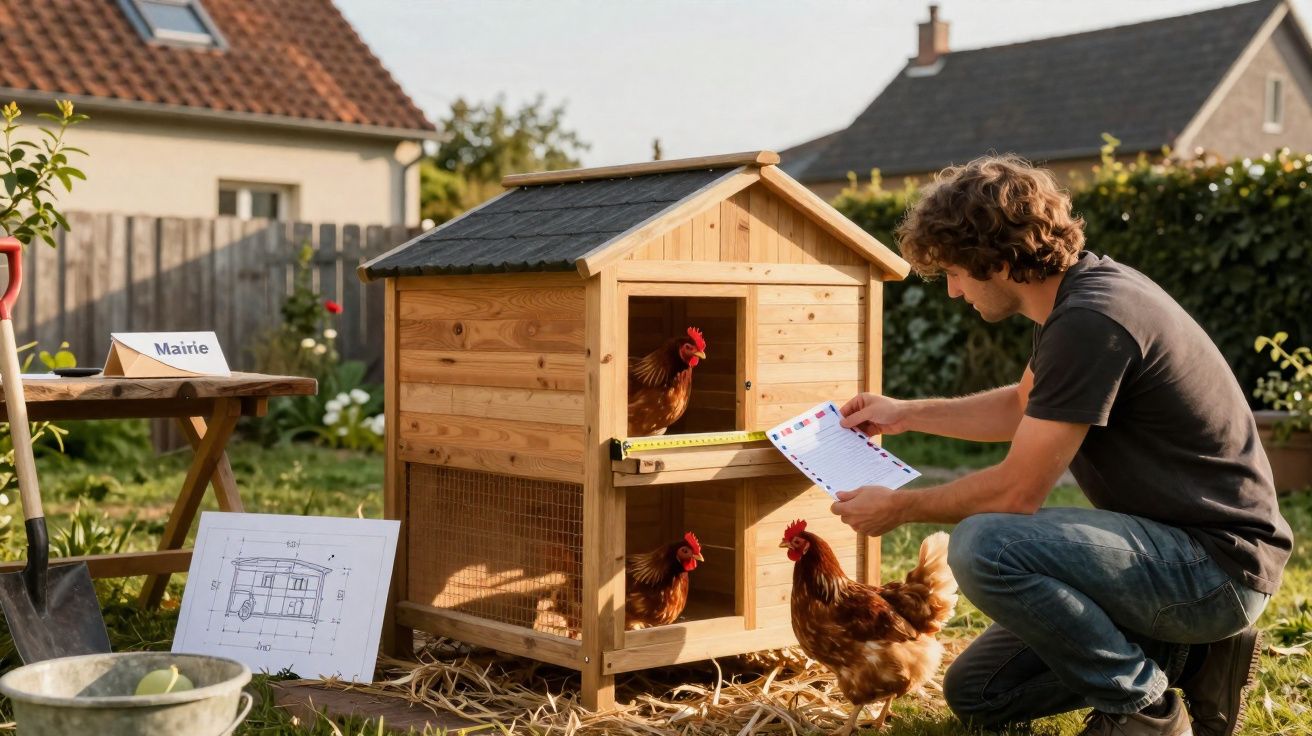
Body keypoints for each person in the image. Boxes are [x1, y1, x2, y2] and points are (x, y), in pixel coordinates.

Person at [831, 154, 1292, 736]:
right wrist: (905, 414)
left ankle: (1144, 710)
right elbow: (1024, 406)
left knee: (985, 544)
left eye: (954, 271)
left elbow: (1018, 491)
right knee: (979, 693)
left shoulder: (1093, 319)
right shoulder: (1076, 300)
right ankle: (1197, 657)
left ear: (993, 259)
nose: (951, 291)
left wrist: (900, 507)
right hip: (1178, 555)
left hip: (1216, 570)